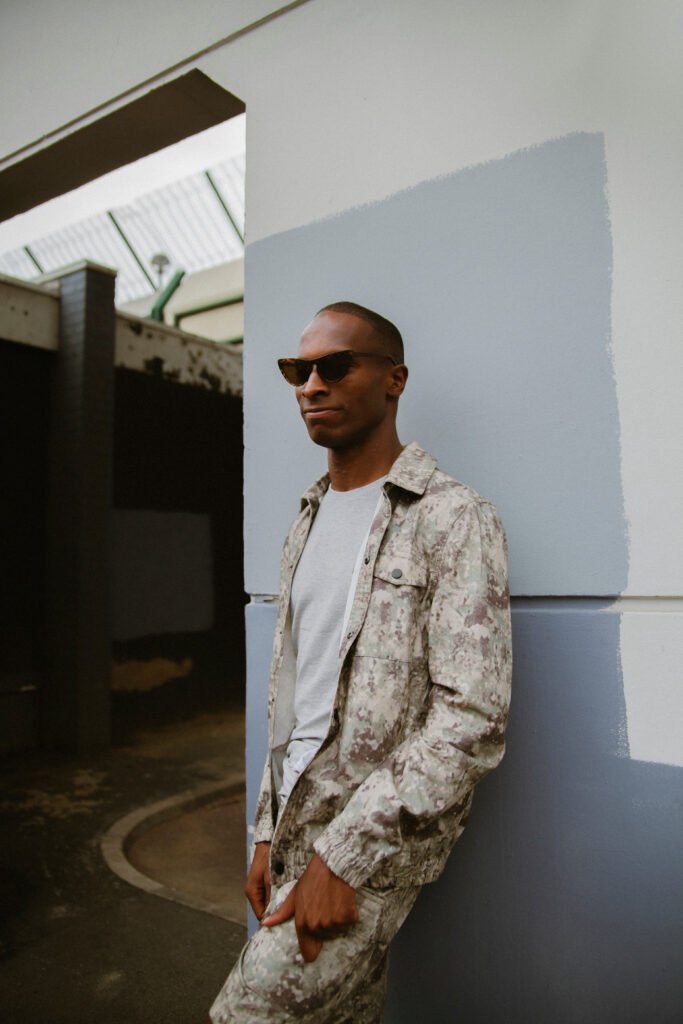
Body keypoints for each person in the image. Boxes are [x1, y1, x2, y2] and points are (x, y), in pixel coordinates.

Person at [209, 302, 512, 1023]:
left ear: (393, 379)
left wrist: (340, 857)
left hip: (369, 842)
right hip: (293, 830)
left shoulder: (451, 517)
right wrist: (264, 833)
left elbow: (472, 716)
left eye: (335, 366)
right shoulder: (305, 519)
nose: (311, 384)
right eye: (298, 370)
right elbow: (292, 697)